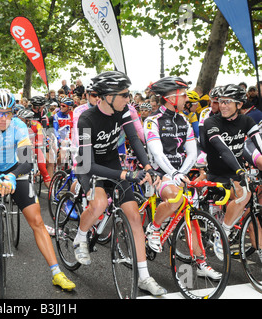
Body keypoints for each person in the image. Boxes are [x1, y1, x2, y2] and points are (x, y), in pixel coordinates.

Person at [0, 89, 76, 291]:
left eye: (8, 112)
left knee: (37, 221)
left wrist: (12, 176)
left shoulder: (19, 126)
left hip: (14, 171)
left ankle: (57, 273)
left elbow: (27, 162)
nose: (3, 117)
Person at [75, 71, 166, 296]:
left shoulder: (123, 110)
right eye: (124, 94)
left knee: (135, 217)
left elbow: (134, 138)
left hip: (113, 164)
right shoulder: (86, 119)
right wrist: (126, 175)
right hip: (89, 166)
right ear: (107, 96)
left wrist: (146, 167)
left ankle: (144, 276)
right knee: (98, 204)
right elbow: (88, 164)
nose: (129, 98)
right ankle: (80, 237)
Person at [144, 76, 221, 279]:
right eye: (183, 94)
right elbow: (158, 154)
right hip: (160, 173)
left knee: (192, 218)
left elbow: (192, 152)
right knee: (176, 198)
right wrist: (174, 173)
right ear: (170, 98)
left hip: (179, 174)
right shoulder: (152, 121)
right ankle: (154, 227)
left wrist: (183, 173)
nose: (187, 98)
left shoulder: (184, 120)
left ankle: (201, 263)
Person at [203, 84, 261, 237]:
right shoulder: (212, 122)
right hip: (219, 174)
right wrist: (240, 171)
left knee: (250, 206)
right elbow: (223, 149)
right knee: (244, 194)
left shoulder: (246, 121)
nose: (222, 105)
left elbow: (258, 142)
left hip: (237, 173)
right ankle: (222, 233)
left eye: (227, 102)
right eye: (221, 101)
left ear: (239, 104)